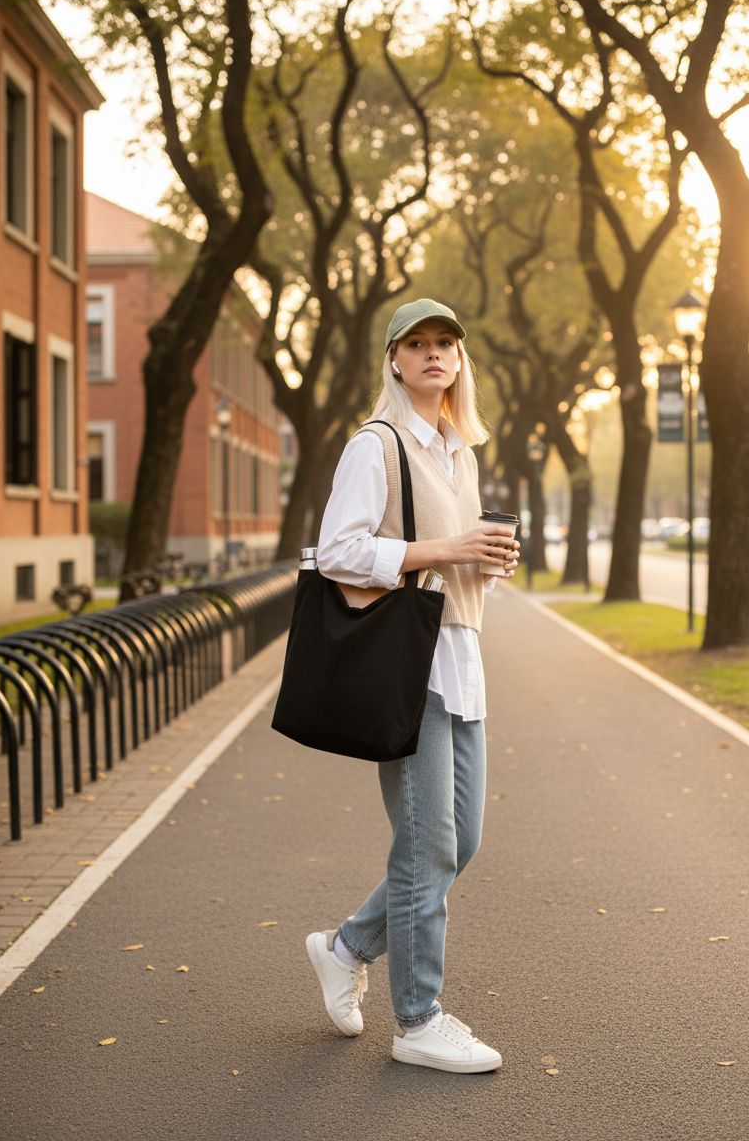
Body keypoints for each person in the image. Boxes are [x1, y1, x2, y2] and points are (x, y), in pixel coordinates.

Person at [305, 297, 519, 1074]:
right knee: (428, 848)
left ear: (459, 362)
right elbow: (338, 551)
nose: (434, 355)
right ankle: (419, 1019)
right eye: (418, 344)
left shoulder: (458, 452)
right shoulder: (377, 443)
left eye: (446, 345)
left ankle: (348, 945)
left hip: (461, 656)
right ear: (394, 359)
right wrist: (444, 547)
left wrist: (485, 564)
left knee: (461, 843)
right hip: (407, 667)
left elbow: (452, 561)